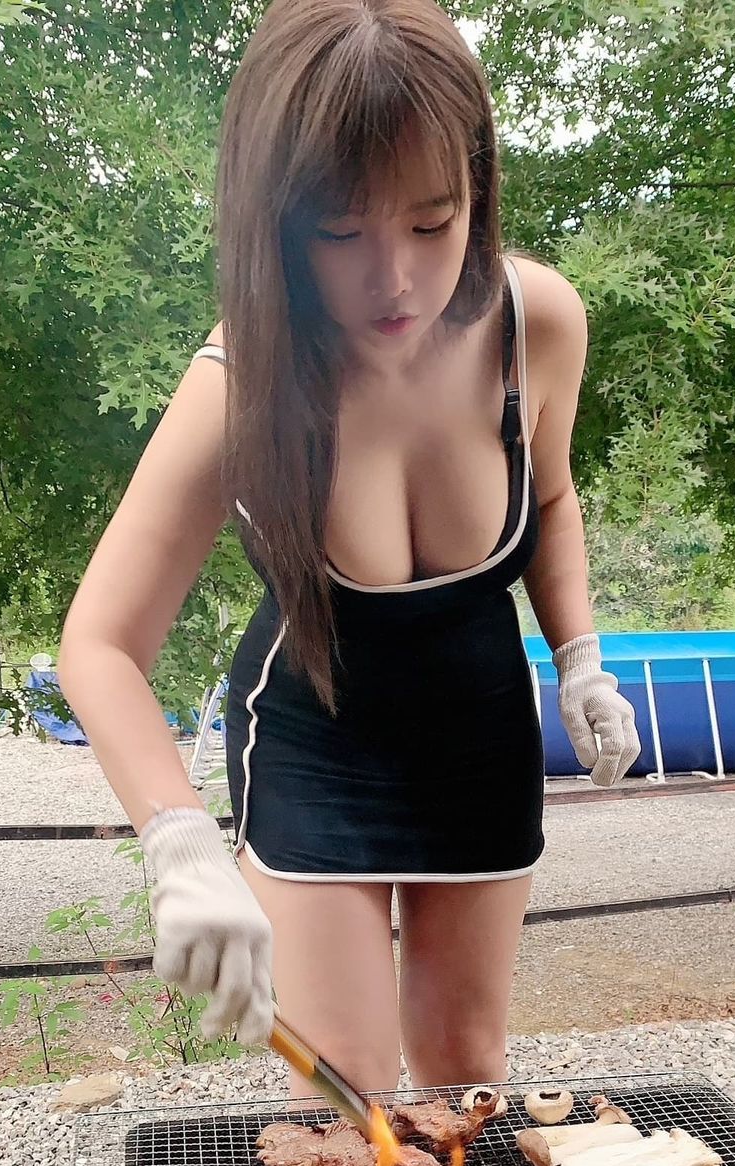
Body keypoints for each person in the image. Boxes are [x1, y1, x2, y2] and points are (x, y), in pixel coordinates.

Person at [57, 0, 640, 1101]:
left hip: (478, 731)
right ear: (279, 223)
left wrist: (581, 658)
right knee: (348, 1089)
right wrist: (178, 841)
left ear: (478, 188)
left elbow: (552, 494)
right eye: (340, 232)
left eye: (432, 222)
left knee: (466, 1071)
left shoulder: (539, 323)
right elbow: (99, 642)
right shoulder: (242, 383)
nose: (395, 280)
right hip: (315, 740)